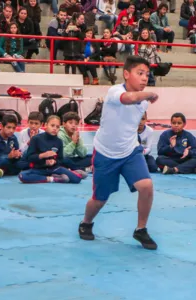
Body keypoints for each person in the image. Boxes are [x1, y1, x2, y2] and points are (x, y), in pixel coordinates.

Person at [78, 56, 159, 251]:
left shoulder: (144, 102)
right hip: (105, 153)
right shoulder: (115, 91)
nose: (144, 78)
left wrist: (145, 96)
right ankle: (86, 222)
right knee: (99, 200)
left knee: (146, 186)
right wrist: (148, 94)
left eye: (147, 74)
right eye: (140, 73)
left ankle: (141, 229)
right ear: (126, 74)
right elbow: (128, 99)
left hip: (130, 151)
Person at [18, 115, 84, 184]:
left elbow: (61, 159)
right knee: (23, 175)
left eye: (57, 127)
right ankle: (53, 178)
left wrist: (54, 162)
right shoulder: (36, 139)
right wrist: (43, 155)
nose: (55, 128)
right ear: (46, 125)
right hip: (39, 169)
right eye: (52, 125)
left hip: (54, 169)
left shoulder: (59, 141)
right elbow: (29, 158)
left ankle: (69, 171)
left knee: (77, 179)